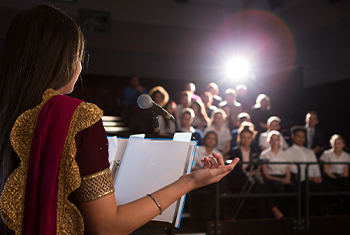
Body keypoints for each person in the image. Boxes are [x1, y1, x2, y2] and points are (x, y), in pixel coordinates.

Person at [0, 5, 240, 234]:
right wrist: (187, 182)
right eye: (79, 55)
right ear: (65, 60)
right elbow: (107, 227)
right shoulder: (77, 118)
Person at [227, 122, 284, 219]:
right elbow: (233, 171)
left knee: (261, 186)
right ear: (240, 137)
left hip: (253, 179)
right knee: (261, 185)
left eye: (248, 137)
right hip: (240, 179)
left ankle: (265, 214)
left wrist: (254, 172)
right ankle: (272, 210)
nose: (246, 140)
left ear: (252, 138)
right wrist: (248, 174)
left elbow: (257, 167)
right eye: (244, 137)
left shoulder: (254, 151)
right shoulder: (234, 151)